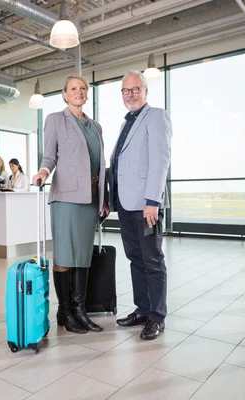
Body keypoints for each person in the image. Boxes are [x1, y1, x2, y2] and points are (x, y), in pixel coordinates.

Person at [33, 74, 109, 335]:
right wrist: (43, 171)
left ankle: (80, 310)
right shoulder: (55, 120)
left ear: (87, 94)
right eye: (73, 88)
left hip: (90, 199)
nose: (79, 91)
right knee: (65, 255)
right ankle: (65, 311)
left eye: (83, 88)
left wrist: (104, 198)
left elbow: (100, 164)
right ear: (65, 94)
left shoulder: (96, 127)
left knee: (83, 257)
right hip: (65, 197)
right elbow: (49, 156)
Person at [110, 71, 171, 340]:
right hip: (126, 204)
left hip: (145, 206)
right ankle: (143, 309)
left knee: (152, 260)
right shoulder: (126, 123)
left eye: (136, 89)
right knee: (135, 259)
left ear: (145, 91)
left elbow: (160, 161)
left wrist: (152, 201)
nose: (131, 94)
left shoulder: (156, 116)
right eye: (126, 90)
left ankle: (157, 317)